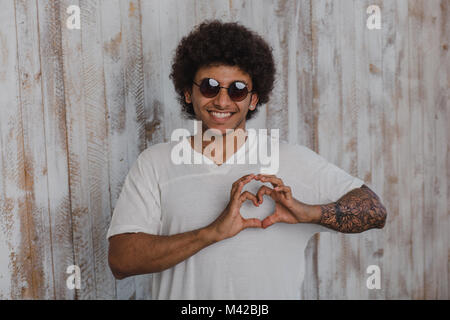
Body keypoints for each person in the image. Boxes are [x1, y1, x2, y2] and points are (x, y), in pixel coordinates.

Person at [107, 20, 387, 299]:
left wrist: (308, 212)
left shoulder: (292, 160)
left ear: (253, 100)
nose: (222, 101)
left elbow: (375, 211)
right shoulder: (155, 163)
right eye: (210, 86)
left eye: (238, 89)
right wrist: (212, 232)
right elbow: (121, 261)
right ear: (187, 93)